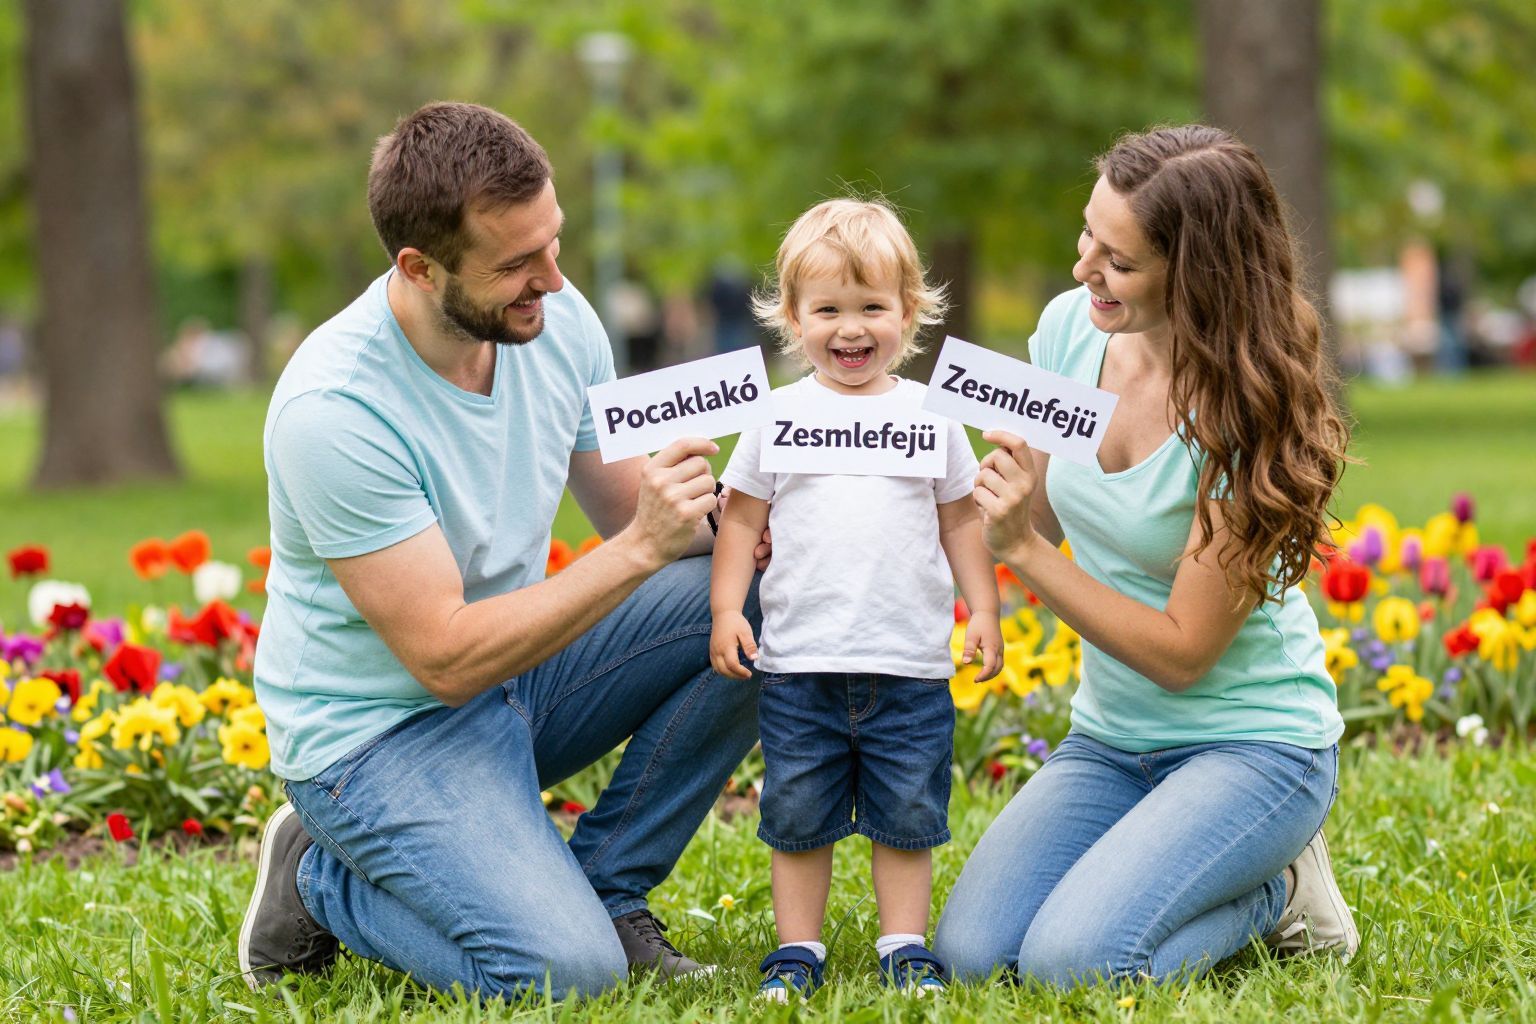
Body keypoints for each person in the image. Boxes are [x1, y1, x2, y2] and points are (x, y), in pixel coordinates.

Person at [237, 102, 770, 1000]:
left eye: (553, 243)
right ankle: (318, 879)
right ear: (418, 266)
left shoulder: (554, 323)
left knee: (766, 589)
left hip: (519, 678)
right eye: (518, 265)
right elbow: (444, 657)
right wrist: (644, 546)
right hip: (379, 735)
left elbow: (627, 509)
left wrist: (763, 512)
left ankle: (607, 888)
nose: (554, 283)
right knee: (564, 976)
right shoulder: (334, 409)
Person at [934, 125, 1357, 986]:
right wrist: (992, 489)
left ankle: (1278, 892)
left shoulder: (1247, 413)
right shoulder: (1068, 331)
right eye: (1089, 233)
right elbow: (1040, 516)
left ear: (1196, 273)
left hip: (1252, 746)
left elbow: (1180, 654)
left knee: (1075, 965)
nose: (1087, 266)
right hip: (1111, 740)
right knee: (974, 957)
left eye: (1119, 260)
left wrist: (1020, 548)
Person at [709, 198, 1003, 1000]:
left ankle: (903, 944)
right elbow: (740, 521)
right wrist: (728, 608)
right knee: (798, 814)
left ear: (909, 314)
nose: (851, 329)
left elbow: (961, 520)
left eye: (872, 308)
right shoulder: (776, 416)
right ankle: (796, 951)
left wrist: (983, 608)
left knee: (908, 814)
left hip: (907, 664)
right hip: (800, 663)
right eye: (827, 309)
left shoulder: (930, 418)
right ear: (792, 318)